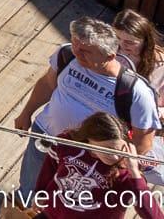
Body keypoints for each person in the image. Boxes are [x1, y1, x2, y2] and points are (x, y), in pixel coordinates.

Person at [14, 17, 161, 197]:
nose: (77, 53)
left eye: (85, 51)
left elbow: (143, 142)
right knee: (29, 191)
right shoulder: (66, 55)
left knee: (67, 204)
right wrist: (26, 113)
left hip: (86, 162)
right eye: (75, 45)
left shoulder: (136, 92)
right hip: (45, 138)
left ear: (110, 55)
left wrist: (115, 166)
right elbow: (47, 84)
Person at [28, 112, 164, 219]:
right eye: (108, 150)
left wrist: (135, 172)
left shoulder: (127, 175)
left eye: (119, 149)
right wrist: (41, 193)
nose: (116, 157)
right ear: (90, 142)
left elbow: (154, 216)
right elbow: (50, 165)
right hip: (52, 214)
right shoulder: (69, 143)